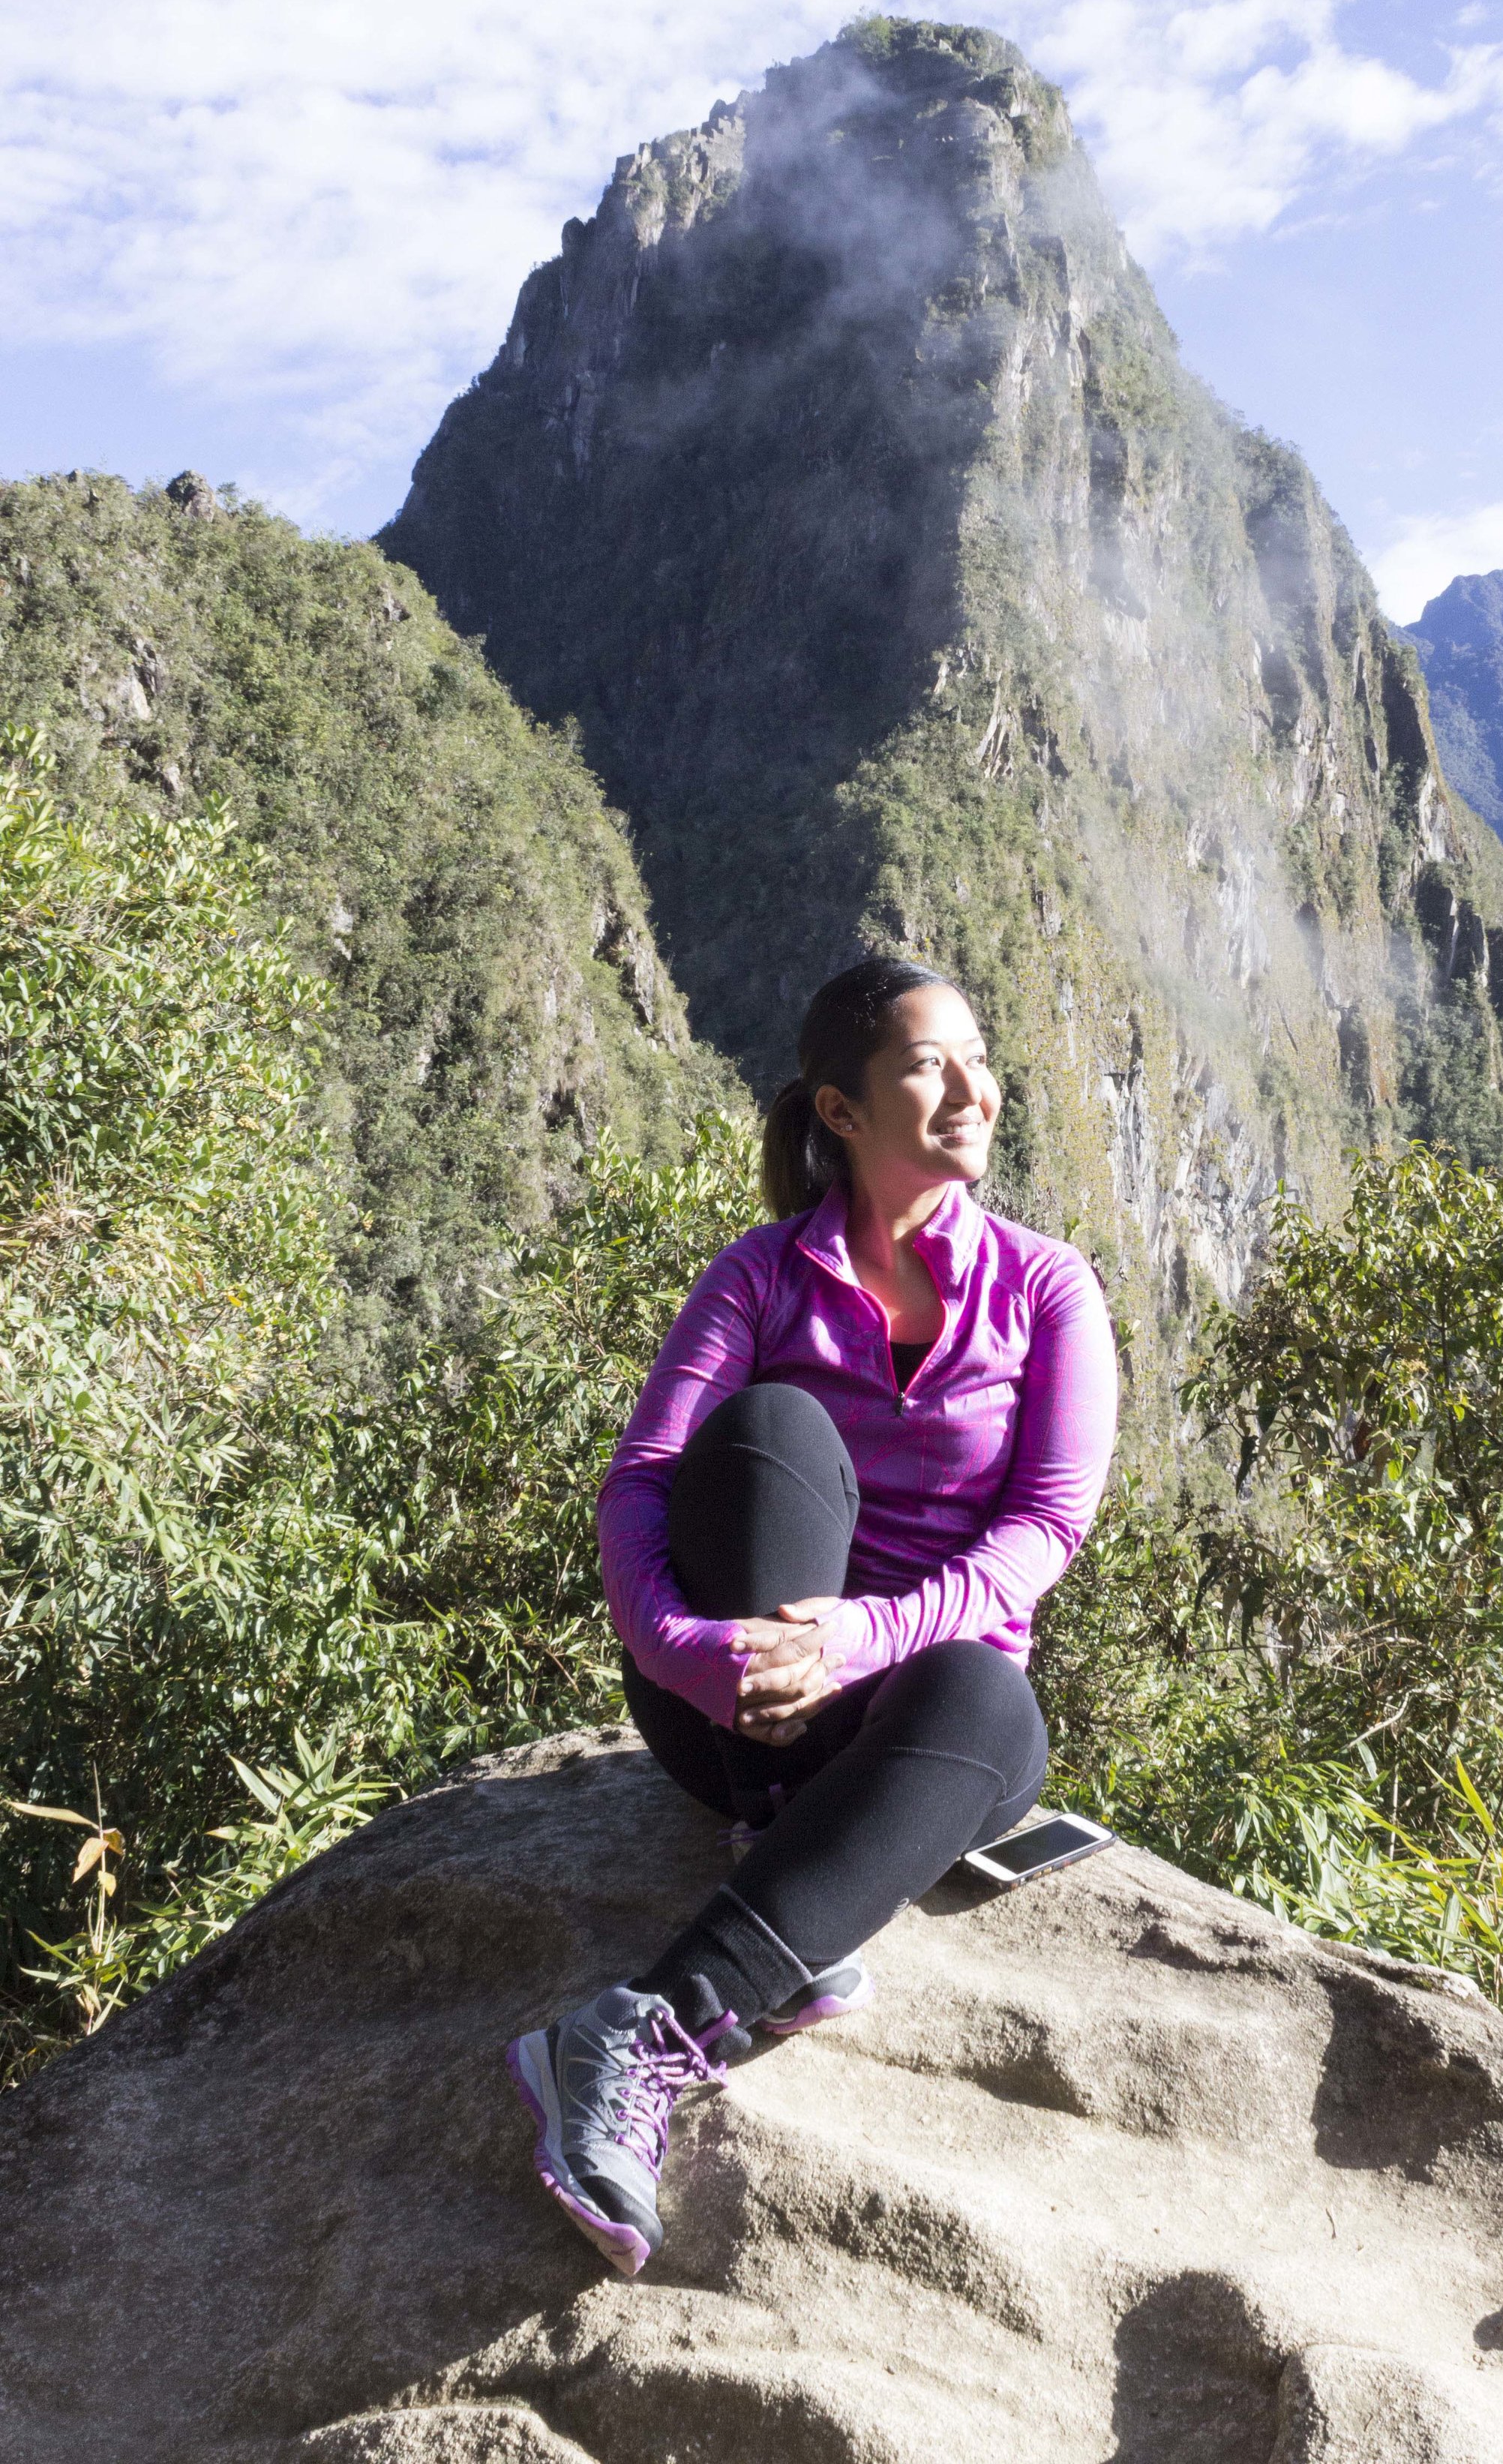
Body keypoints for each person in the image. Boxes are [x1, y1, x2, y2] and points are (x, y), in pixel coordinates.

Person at [506, 956, 1119, 2273]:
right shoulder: (760, 1276)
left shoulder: (1047, 1287)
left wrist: (858, 1639)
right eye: (926, 1064)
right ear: (840, 1112)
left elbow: (1042, 1535)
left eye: (979, 1057)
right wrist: (685, 1649)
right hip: (731, 1714)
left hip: (920, 1715)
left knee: (989, 1694)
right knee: (766, 1430)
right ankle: (808, 1882)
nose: (975, 1089)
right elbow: (641, 1488)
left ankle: (640, 2029)